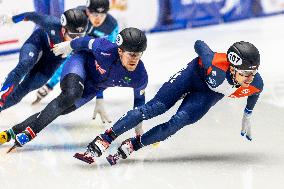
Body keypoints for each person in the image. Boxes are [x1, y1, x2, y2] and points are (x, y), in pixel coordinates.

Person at [74, 40, 264, 165]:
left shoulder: (255, 82)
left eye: (252, 73)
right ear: (232, 68)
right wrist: (207, 60)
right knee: (154, 108)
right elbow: (199, 44)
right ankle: (105, 138)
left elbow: (255, 92)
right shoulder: (214, 64)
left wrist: (248, 114)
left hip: (207, 94)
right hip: (192, 75)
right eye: (244, 73)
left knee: (176, 123)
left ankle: (135, 144)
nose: (248, 79)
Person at [0, 27, 148, 152]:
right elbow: (85, 41)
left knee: (61, 109)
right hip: (80, 65)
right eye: (132, 54)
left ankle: (12, 132)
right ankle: (31, 133)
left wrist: (138, 122)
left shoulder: (140, 75)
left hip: (94, 87)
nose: (135, 59)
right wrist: (69, 45)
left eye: (139, 54)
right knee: (71, 94)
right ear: (120, 51)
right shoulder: (105, 48)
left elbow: (139, 99)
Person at [32, 0, 119, 122]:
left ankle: (50, 87)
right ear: (87, 11)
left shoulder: (112, 25)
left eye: (102, 14)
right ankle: (48, 85)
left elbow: (106, 58)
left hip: (94, 51)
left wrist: (99, 97)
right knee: (65, 58)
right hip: (76, 45)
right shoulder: (78, 17)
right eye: (94, 14)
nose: (98, 18)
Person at [0, 9, 88, 113]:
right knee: (25, 64)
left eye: (80, 36)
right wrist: (12, 19)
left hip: (52, 60)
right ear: (63, 30)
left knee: (26, 89)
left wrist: (50, 85)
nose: (76, 40)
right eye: (72, 36)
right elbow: (31, 15)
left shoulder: (82, 44)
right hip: (38, 43)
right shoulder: (51, 23)